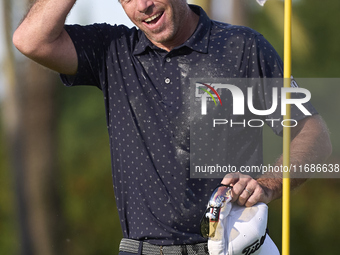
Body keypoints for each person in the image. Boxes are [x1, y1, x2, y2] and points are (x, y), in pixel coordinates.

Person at [13, 0, 332, 254]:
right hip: (141, 250)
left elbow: (313, 133)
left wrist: (270, 183)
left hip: (232, 247)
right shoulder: (113, 50)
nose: (142, 6)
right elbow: (30, 39)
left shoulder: (242, 47)